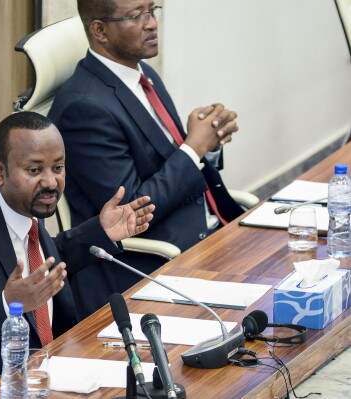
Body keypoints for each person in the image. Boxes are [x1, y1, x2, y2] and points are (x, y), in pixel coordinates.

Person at [0, 111, 155, 399]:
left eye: (58, 167)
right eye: (34, 170)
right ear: (0, 172)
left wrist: (100, 232)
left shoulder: (22, 205)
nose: (50, 182)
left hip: (47, 371)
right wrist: (6, 305)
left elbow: (42, 260)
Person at [48, 0, 246, 318]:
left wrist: (209, 142)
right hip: (151, 264)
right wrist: (193, 147)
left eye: (152, 11)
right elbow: (133, 212)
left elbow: (170, 164)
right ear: (100, 30)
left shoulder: (142, 74)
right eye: (136, 16)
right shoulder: (83, 109)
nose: (151, 24)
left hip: (205, 233)